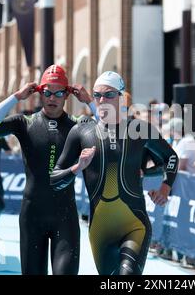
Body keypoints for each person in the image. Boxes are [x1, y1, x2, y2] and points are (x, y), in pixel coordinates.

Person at [50, 71, 179, 275]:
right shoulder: (81, 132)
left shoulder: (140, 129)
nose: (102, 100)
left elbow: (171, 157)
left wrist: (165, 187)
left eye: (109, 94)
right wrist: (78, 167)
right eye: (97, 95)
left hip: (135, 225)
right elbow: (54, 179)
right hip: (101, 231)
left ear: (121, 97)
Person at [0, 64, 94, 275]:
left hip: (64, 217)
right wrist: (16, 97)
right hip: (32, 215)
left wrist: (89, 102)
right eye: (47, 91)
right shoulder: (25, 122)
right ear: (39, 92)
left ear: (67, 94)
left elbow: (113, 134)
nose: (52, 97)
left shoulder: (78, 124)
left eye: (59, 92)